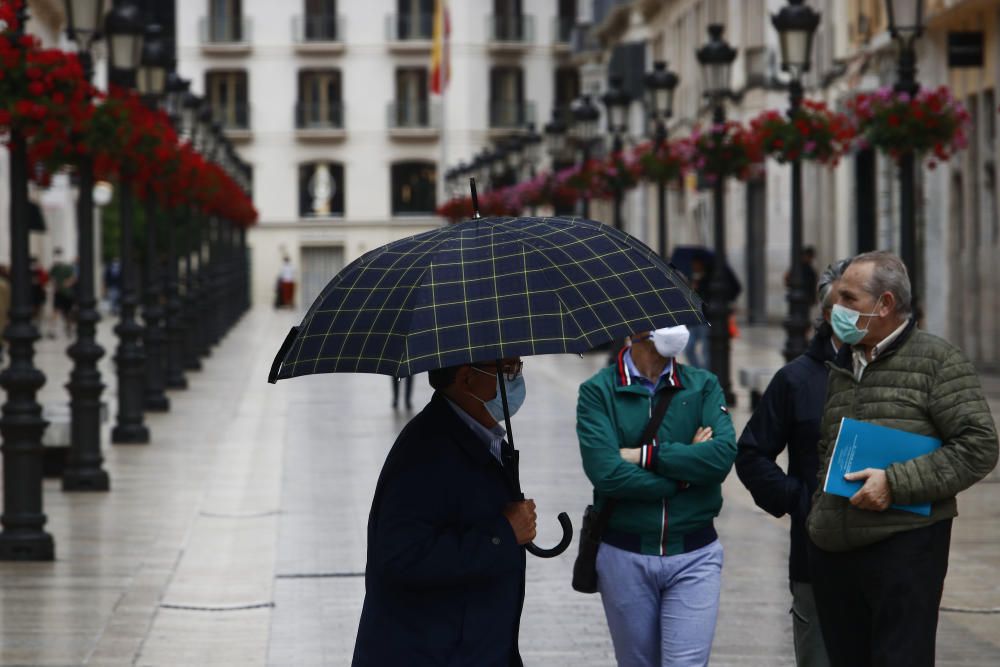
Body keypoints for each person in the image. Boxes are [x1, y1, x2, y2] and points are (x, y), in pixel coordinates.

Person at [806, 250, 999, 667]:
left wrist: (895, 483)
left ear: (886, 304)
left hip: (904, 550)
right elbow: (827, 450)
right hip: (835, 552)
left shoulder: (938, 360)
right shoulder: (844, 363)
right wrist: (817, 518)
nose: (835, 311)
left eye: (849, 299)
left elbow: (979, 445)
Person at [353, 357, 536, 666]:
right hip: (431, 654)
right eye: (508, 370)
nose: (516, 380)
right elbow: (401, 556)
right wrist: (503, 534)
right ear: (466, 378)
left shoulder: (479, 439)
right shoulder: (426, 451)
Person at [577, 326, 737, 667]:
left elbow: (721, 456)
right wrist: (683, 480)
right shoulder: (598, 391)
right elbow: (608, 474)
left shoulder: (703, 384)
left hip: (695, 553)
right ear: (633, 329)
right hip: (625, 553)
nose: (675, 326)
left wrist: (645, 457)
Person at [735, 258, 851, 667]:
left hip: (888, 556)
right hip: (815, 556)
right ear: (825, 311)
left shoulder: (898, 372)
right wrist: (798, 499)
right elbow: (751, 453)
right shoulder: (796, 379)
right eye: (846, 301)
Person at [50, 248, 77, 337]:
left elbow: (73, 278)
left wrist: (67, 283)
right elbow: (51, 278)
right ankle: (53, 330)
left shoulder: (68, 267)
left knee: (67, 312)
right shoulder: (54, 267)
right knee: (56, 310)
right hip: (58, 293)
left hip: (67, 293)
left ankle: (68, 327)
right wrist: (55, 285)